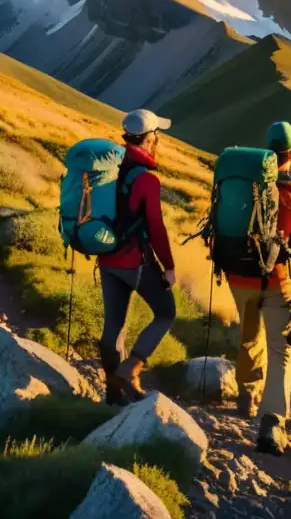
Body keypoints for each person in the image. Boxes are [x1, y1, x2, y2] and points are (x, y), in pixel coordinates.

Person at [226, 121, 291, 455]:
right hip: (279, 281)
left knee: (249, 335)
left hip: (239, 277)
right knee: (282, 350)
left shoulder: (247, 185)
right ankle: (271, 423)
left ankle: (247, 395)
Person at [96, 109, 178, 406]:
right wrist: (168, 267)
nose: (158, 139)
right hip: (135, 262)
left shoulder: (108, 168)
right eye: (157, 135)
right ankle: (130, 370)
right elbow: (155, 227)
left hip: (106, 258)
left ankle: (113, 394)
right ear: (150, 137)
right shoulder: (147, 179)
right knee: (166, 312)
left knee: (113, 326)